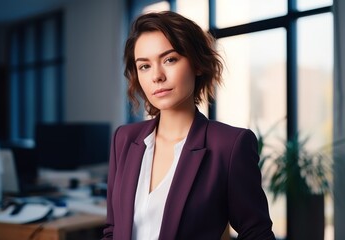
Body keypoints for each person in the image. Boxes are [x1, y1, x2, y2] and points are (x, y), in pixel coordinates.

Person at [102, 11, 275, 240]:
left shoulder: (229, 146)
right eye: (144, 66)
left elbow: (257, 234)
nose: (157, 76)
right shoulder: (123, 139)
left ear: (197, 64)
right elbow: (112, 231)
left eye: (170, 59)